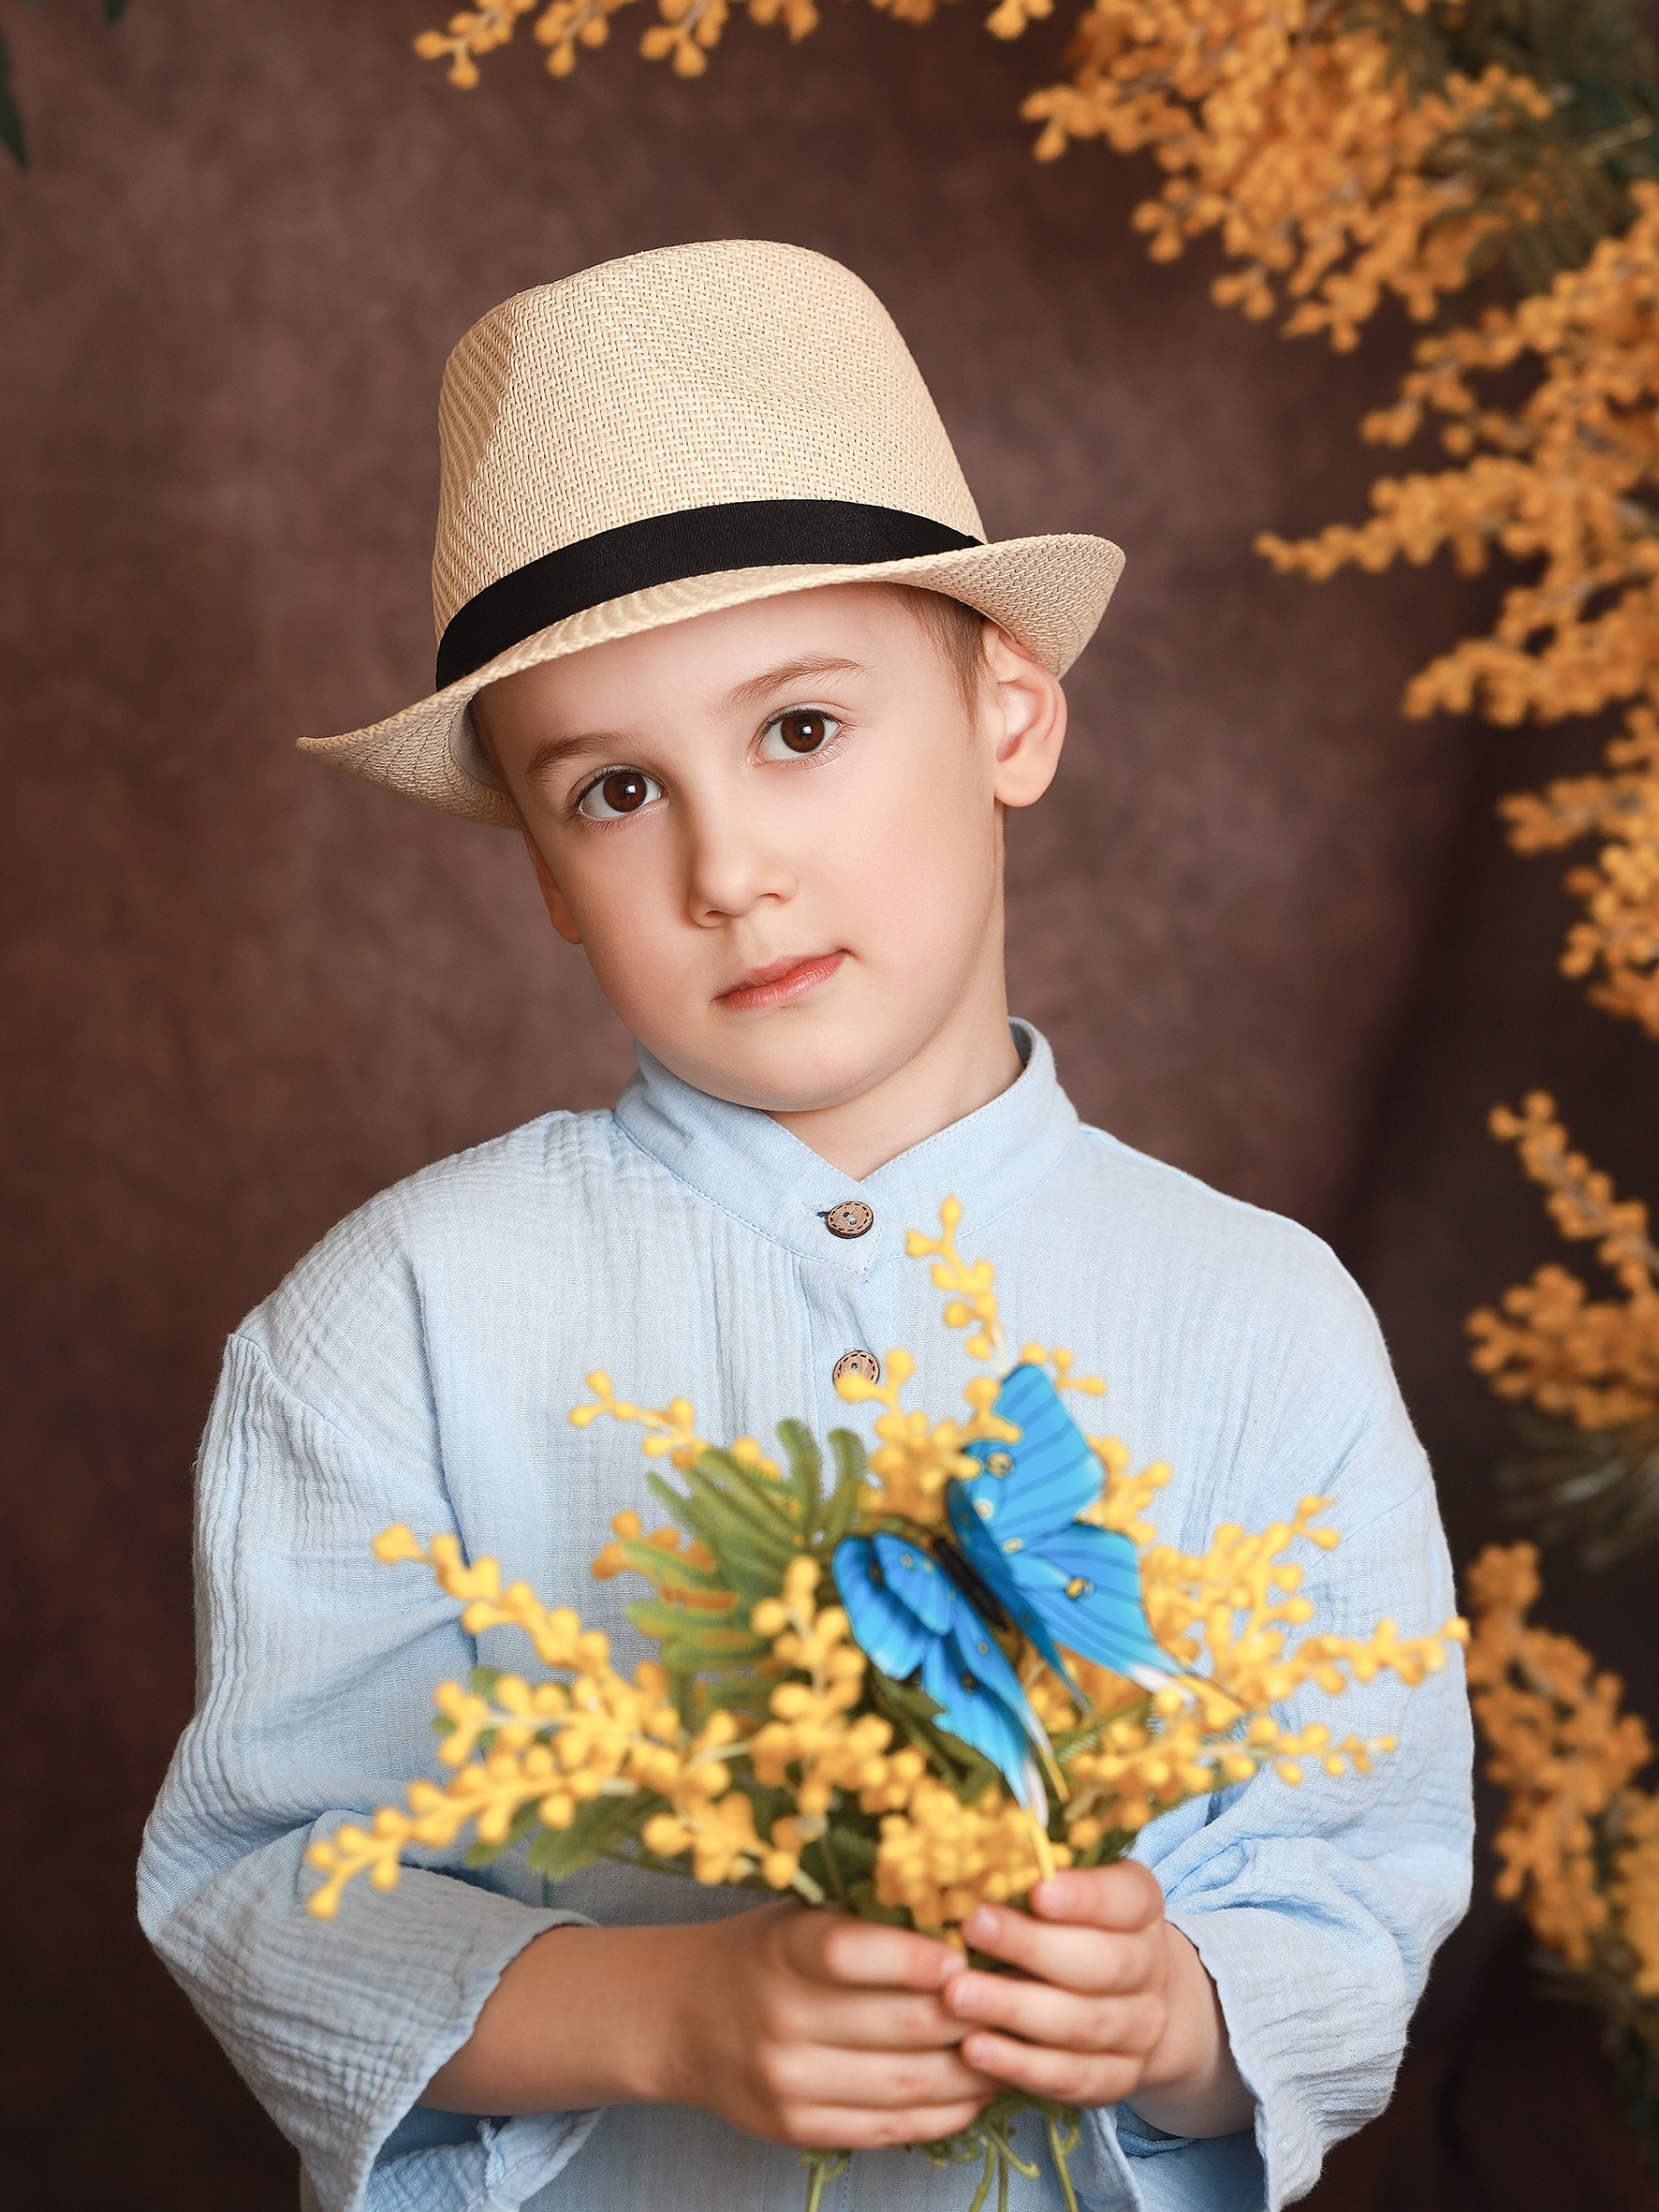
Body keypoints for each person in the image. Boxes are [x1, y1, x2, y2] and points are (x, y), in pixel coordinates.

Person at [138, 240, 1473, 2212]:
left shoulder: (1260, 1315)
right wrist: (667, 2008)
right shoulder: (394, 1317)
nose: (729, 866)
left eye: (798, 730)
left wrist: (1171, 2013)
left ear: (1010, 712)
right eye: (616, 790)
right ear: (547, 880)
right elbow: (266, 1885)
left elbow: (1360, 1882)